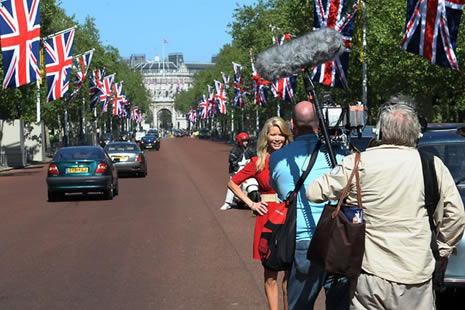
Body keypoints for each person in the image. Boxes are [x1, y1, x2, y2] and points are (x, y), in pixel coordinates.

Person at [306, 96, 465, 309]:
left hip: (369, 274)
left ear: (379, 131)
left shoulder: (357, 163)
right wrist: (443, 249)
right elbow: (456, 215)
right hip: (416, 273)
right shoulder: (433, 165)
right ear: (416, 133)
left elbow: (314, 192)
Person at [268, 101, 349, 310]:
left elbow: (280, 191)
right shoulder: (339, 155)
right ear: (320, 124)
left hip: (303, 241)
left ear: (292, 125)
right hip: (336, 238)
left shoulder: (277, 158)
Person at [227, 117, 293, 310]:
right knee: (271, 276)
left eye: (281, 134)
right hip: (268, 219)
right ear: (267, 136)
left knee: (289, 278)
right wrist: (251, 204)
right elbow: (233, 182)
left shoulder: (294, 159)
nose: (277, 138)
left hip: (289, 217)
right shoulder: (258, 162)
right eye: (273, 134)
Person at [219, 132, 256, 210]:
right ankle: (228, 203)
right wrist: (237, 163)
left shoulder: (250, 149)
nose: (246, 142)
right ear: (239, 141)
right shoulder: (235, 150)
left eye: (247, 141)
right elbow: (231, 160)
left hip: (248, 169)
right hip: (236, 170)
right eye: (244, 141)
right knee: (233, 185)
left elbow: (255, 157)